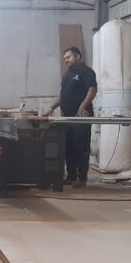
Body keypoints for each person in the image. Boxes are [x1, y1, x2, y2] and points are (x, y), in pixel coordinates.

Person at [44, 46, 98, 187]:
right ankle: (71, 176)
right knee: (69, 146)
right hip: (66, 117)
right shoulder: (67, 75)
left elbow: (92, 89)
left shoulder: (87, 72)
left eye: (68, 57)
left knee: (81, 147)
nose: (66, 60)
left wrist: (83, 106)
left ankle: (82, 178)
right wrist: (51, 107)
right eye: (64, 59)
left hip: (81, 116)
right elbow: (63, 95)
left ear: (77, 56)